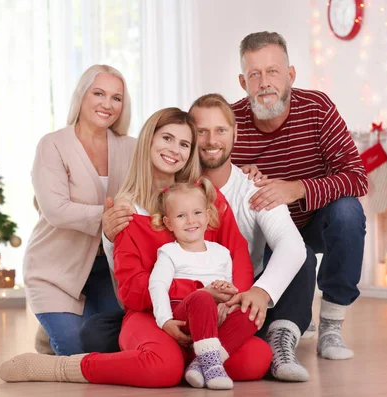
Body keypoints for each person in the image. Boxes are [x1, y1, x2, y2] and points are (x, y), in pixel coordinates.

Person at [0, 108, 272, 387]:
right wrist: (198, 292)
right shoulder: (127, 210)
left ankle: (197, 364)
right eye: (167, 138)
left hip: (209, 315)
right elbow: (131, 291)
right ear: (148, 142)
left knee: (257, 358)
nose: (174, 150)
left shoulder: (205, 199)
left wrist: (230, 300)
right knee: (163, 368)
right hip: (151, 315)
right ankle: (62, 367)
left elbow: (237, 256)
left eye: (184, 144)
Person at [231, 31, 368, 360]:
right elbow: (209, 182)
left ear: (290, 75)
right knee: (297, 255)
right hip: (262, 236)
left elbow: (357, 177)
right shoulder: (230, 122)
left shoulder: (317, 108)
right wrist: (236, 176)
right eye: (255, 74)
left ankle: (331, 326)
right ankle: (293, 315)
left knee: (348, 212)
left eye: (273, 71)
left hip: (313, 219)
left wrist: (297, 188)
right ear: (242, 81)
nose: (265, 82)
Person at [189, 93, 315, 381]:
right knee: (95, 334)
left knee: (302, 257)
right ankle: (206, 354)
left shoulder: (253, 187)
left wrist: (262, 291)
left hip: (245, 300)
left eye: (220, 130)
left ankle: (281, 338)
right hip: (190, 300)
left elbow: (292, 246)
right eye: (201, 131)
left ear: (235, 133)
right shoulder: (175, 186)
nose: (211, 140)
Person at [23, 64, 136, 356]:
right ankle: (54, 327)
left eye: (116, 97)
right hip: (56, 269)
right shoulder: (53, 145)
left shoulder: (132, 148)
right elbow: (56, 210)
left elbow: (168, 176)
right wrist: (110, 216)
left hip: (108, 271)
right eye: (99, 93)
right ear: (81, 96)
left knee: (116, 348)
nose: (107, 104)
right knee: (77, 353)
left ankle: (55, 329)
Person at [149, 178, 259, 390]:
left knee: (251, 312)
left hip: (217, 316)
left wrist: (229, 297)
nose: (191, 220)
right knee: (202, 297)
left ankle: (200, 364)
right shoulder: (170, 253)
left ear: (208, 216)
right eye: (181, 216)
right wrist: (164, 320)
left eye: (197, 213)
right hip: (186, 316)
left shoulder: (221, 253)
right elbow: (157, 285)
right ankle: (212, 365)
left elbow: (230, 287)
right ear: (169, 223)